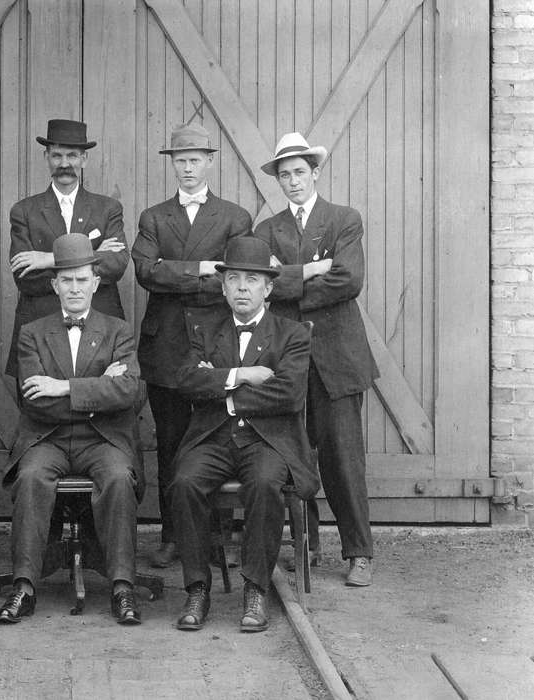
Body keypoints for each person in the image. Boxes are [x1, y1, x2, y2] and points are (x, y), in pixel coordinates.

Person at [167, 236, 318, 632]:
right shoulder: (203, 330)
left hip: (267, 440)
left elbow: (289, 393)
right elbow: (186, 381)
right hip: (214, 437)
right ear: (222, 286)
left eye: (252, 280)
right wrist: (242, 375)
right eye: (233, 280)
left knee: (266, 484)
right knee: (184, 483)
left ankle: (255, 588)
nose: (242, 289)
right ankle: (197, 588)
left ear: (268, 288)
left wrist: (222, 390)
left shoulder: (292, 334)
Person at [0, 233, 145, 626]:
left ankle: (122, 587)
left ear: (97, 283)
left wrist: (63, 387)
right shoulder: (32, 332)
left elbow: (128, 391)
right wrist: (100, 389)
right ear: (54, 285)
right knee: (30, 477)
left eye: (83, 280)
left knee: (117, 476)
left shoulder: (119, 331)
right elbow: (35, 401)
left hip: (103, 440)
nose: (75, 288)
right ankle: (23, 587)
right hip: (49, 438)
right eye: (68, 280)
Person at [253, 132, 379, 587]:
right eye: (284, 175)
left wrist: (289, 283)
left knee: (344, 458)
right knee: (294, 453)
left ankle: (359, 552)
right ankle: (307, 546)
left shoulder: (344, 219)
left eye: (299, 173)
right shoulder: (266, 229)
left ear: (315, 173)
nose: (292, 181)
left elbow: (349, 280)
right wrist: (312, 270)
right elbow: (263, 284)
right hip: (289, 357)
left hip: (339, 358)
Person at [132, 123, 252, 568]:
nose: (186, 168)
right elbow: (145, 272)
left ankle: (215, 537)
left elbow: (235, 277)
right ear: (172, 165)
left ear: (210, 162)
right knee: (169, 441)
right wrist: (203, 268)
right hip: (165, 346)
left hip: (216, 345)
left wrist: (175, 273)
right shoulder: (153, 216)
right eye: (180, 161)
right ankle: (172, 535)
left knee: (215, 437)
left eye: (195, 160)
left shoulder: (235, 217)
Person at [6, 119, 129, 378]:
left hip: (100, 329)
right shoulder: (25, 211)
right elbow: (25, 277)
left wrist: (47, 259)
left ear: (84, 159)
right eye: (57, 155)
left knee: (104, 405)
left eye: (72, 155)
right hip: (41, 329)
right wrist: (95, 254)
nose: (64, 164)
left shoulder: (107, 209)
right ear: (46, 157)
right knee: (39, 409)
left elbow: (117, 264)